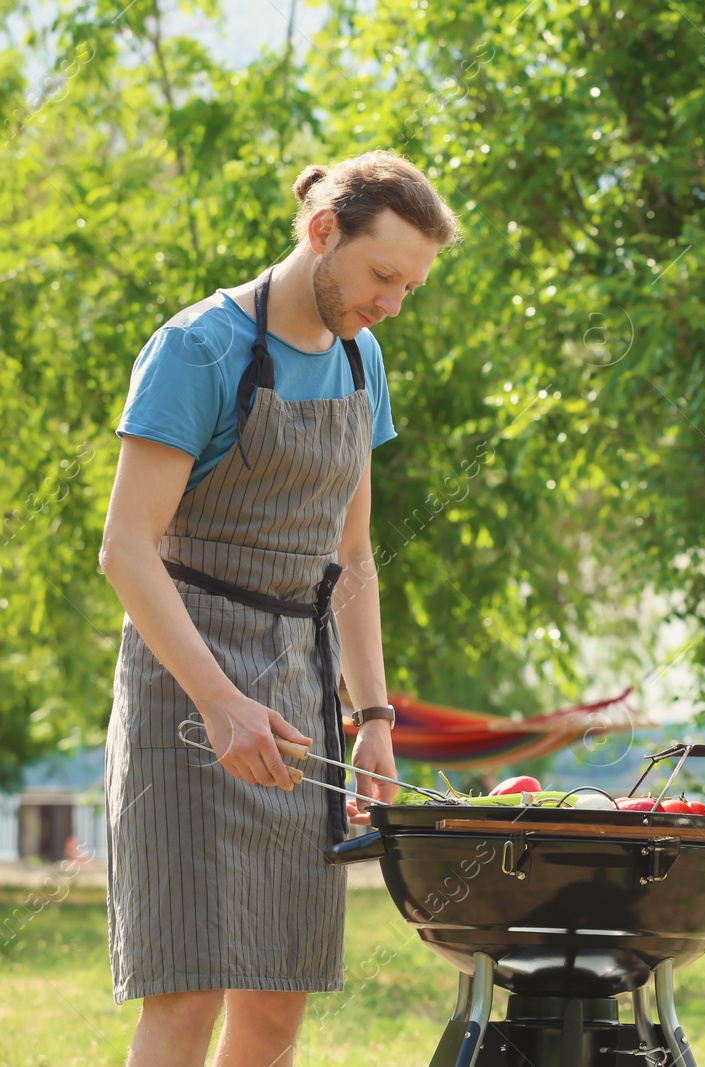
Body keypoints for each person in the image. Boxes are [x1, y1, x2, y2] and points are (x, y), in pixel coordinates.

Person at [100, 152, 458, 1067]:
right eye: (384, 276)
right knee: (186, 992)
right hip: (184, 693)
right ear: (322, 232)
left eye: (409, 286)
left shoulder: (359, 357)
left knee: (278, 998)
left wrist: (373, 714)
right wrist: (220, 703)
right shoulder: (198, 348)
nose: (392, 304)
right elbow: (126, 550)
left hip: (298, 690)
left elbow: (353, 559)